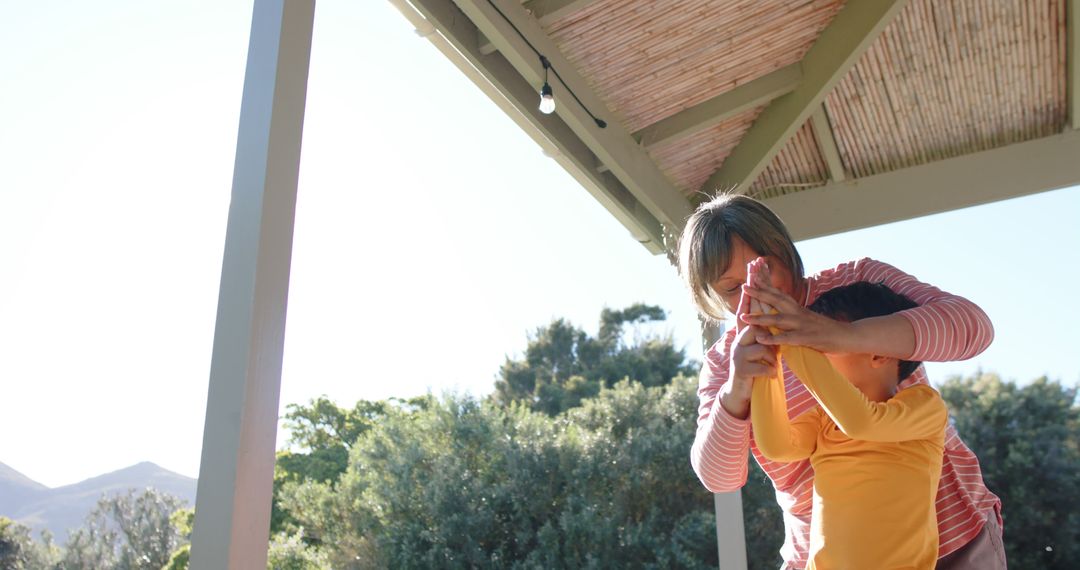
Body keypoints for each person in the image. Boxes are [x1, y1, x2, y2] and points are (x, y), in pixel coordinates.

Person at [678, 194, 1005, 569]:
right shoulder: (725, 360)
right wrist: (737, 390)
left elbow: (974, 328)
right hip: (826, 557)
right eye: (732, 288)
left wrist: (841, 335)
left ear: (784, 249)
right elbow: (719, 478)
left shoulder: (859, 283)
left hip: (947, 535)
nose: (755, 292)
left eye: (764, 269)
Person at [751, 274, 947, 569]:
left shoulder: (924, 406)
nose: (813, 352)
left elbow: (862, 422)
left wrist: (788, 338)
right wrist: (769, 365)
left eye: (823, 342)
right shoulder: (823, 420)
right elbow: (777, 446)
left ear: (879, 352)